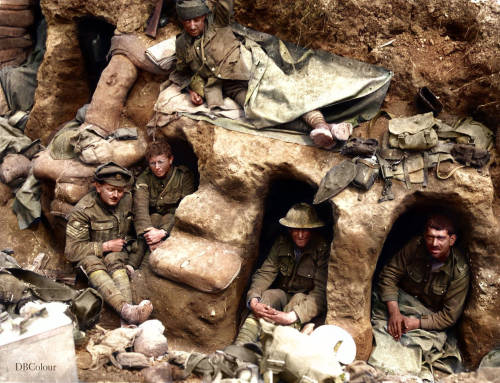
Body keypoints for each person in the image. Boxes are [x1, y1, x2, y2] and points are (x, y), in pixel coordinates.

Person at [173, 0, 392, 149]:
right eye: (187, 22)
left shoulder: (218, 21)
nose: (192, 25)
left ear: (204, 16)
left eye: (197, 19)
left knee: (287, 95)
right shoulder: (182, 44)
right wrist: (193, 89)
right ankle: (328, 128)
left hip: (252, 66)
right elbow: (184, 72)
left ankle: (321, 125)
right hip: (230, 86)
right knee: (261, 115)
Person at [369, 213, 470, 379]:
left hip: (427, 317)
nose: (434, 243)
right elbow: (389, 275)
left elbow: (449, 316)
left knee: (416, 345)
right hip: (400, 303)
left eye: (440, 238)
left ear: (452, 240)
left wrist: (415, 323)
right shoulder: (415, 246)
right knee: (380, 323)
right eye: (430, 237)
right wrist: (394, 312)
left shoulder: (459, 270)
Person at [65, 162, 153, 325]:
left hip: (118, 257)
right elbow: (72, 251)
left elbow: (138, 225)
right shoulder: (84, 210)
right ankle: (127, 311)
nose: (116, 195)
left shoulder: (127, 200)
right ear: (98, 187)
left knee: (114, 259)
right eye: (111, 189)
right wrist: (104, 246)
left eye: (120, 190)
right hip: (91, 260)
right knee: (92, 262)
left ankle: (127, 319)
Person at [235, 202, 330, 345]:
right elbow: (265, 273)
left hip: (304, 305)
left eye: (305, 230)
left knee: (298, 298)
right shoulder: (282, 243)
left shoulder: (321, 248)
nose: (300, 234)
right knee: (269, 295)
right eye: (295, 229)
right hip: (283, 296)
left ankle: (273, 347)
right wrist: (253, 300)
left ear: (313, 230)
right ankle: (241, 347)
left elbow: (320, 293)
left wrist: (293, 316)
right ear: (289, 229)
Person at [131, 139, 195, 268]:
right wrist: (150, 232)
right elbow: (140, 207)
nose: (157, 167)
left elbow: (185, 209)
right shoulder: (145, 177)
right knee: (153, 218)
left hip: (173, 222)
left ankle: (142, 267)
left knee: (167, 217)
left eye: (161, 162)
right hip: (151, 223)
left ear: (170, 160)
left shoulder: (183, 176)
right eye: (152, 163)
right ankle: (131, 265)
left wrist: (163, 232)